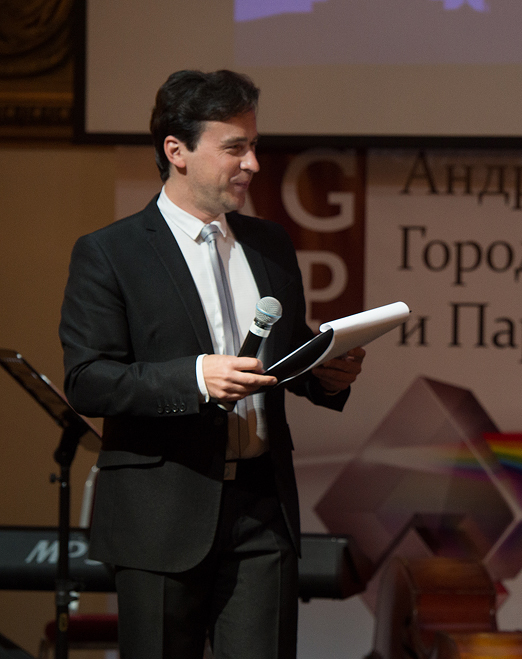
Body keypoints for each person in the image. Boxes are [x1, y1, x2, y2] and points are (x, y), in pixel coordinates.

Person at [59, 69, 365, 659]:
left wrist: (324, 374)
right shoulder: (110, 253)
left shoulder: (270, 243)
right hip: (161, 514)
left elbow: (284, 352)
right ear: (177, 151)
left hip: (261, 509)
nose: (253, 163)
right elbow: (88, 380)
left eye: (254, 146)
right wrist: (195, 377)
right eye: (234, 148)